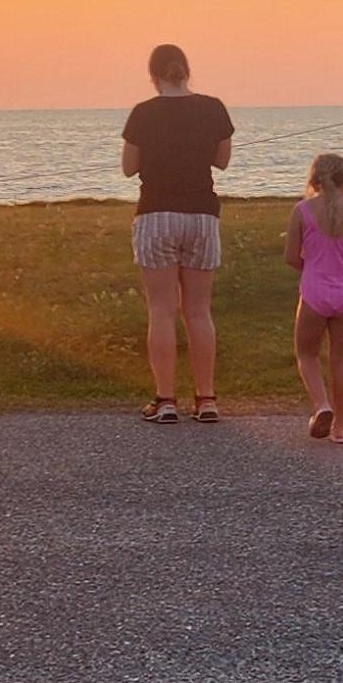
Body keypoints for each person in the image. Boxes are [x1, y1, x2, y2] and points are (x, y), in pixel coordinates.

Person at [120, 43, 232, 423]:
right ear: (187, 70)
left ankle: (166, 399)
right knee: (198, 311)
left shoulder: (143, 113)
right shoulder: (213, 108)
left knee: (161, 310)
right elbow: (222, 160)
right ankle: (206, 398)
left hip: (156, 215)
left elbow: (128, 168)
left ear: (153, 76)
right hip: (201, 215)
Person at [285, 151, 343, 441]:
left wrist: (312, 268)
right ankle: (340, 427)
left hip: (314, 290)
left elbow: (291, 256)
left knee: (306, 353)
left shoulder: (302, 211)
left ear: (314, 180)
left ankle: (322, 404)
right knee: (340, 359)